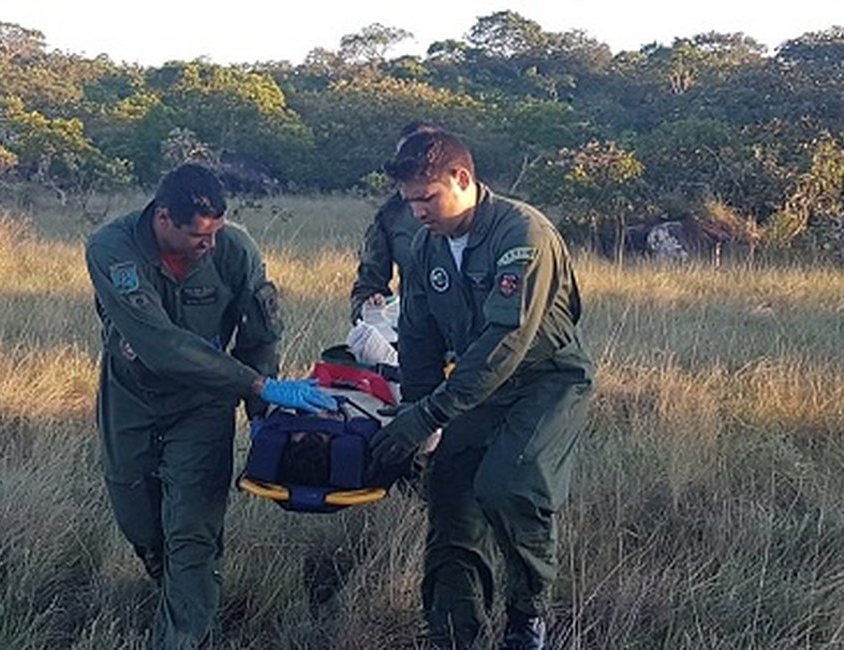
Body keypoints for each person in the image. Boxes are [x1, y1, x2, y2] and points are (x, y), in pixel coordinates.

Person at [84, 163, 336, 649]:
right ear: (163, 218)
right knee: (141, 525)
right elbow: (158, 343)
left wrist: (262, 419)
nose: (210, 245)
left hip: (204, 404)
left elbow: (260, 334)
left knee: (192, 533)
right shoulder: (111, 249)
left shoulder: (235, 249)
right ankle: (180, 595)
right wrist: (257, 386)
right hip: (131, 398)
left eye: (217, 232)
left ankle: (182, 635)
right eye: (199, 236)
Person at [367, 131, 595, 650]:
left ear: (462, 179)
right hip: (473, 390)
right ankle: (452, 631)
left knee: (508, 485)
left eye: (428, 198)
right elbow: (420, 342)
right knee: (448, 495)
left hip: (545, 380)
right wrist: (415, 421)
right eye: (409, 202)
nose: (419, 212)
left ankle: (526, 616)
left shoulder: (522, 234)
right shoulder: (425, 249)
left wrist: (428, 417)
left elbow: (504, 342)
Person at [348, 121, 441, 324]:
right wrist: (371, 307)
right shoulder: (391, 215)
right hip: (416, 331)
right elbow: (368, 284)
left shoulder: (486, 213)